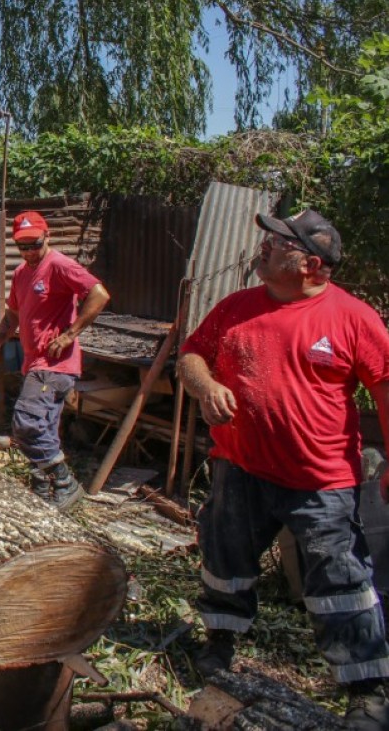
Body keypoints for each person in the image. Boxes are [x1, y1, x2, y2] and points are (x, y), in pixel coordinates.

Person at [177, 209, 389, 729]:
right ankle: (219, 643)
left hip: (321, 481)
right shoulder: (236, 308)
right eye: (267, 239)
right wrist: (206, 388)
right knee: (225, 561)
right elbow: (190, 356)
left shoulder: (354, 317)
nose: (264, 248)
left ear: (311, 264)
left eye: (278, 243)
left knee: (341, 580)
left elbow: (385, 387)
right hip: (241, 468)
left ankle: (366, 688)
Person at [0, 211, 110, 510]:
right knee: (43, 427)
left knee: (27, 423)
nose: (29, 251)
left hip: (55, 365)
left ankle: (65, 483)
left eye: (34, 244)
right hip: (34, 363)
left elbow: (99, 294)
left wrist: (70, 334)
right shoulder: (22, 274)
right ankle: (42, 491)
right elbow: (13, 313)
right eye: (23, 246)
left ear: (47, 237)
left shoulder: (59, 266)